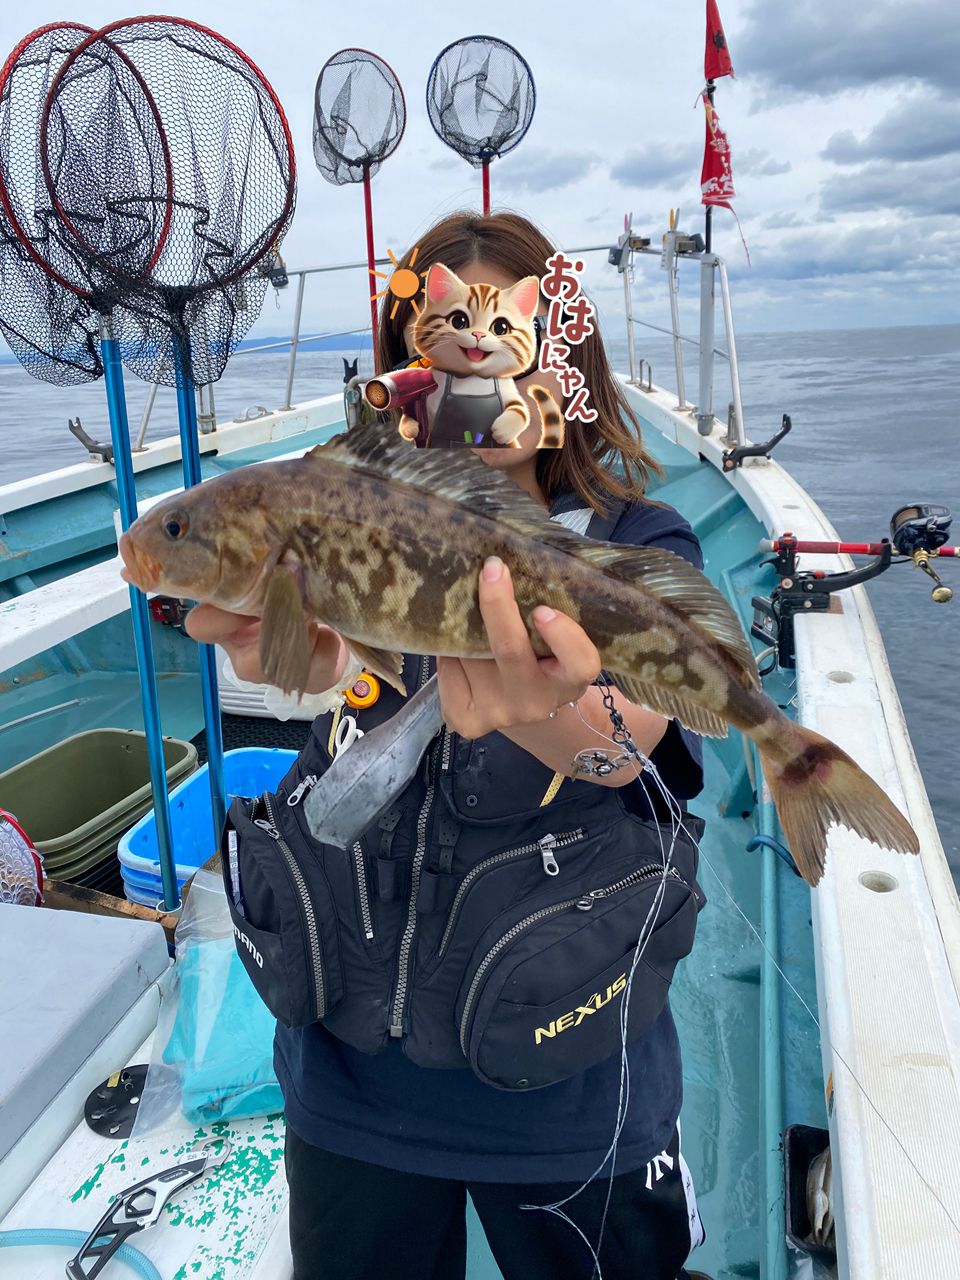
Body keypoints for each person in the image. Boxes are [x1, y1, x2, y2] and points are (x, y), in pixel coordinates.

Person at [188, 211, 712, 1280]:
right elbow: (332, 669)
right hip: (350, 1085)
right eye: (443, 340)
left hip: (567, 1083)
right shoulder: (341, 510)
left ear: (569, 365)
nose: (476, 361)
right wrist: (300, 654)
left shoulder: (636, 541)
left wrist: (546, 710)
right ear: (403, 377)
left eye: (513, 336)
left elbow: (634, 744)